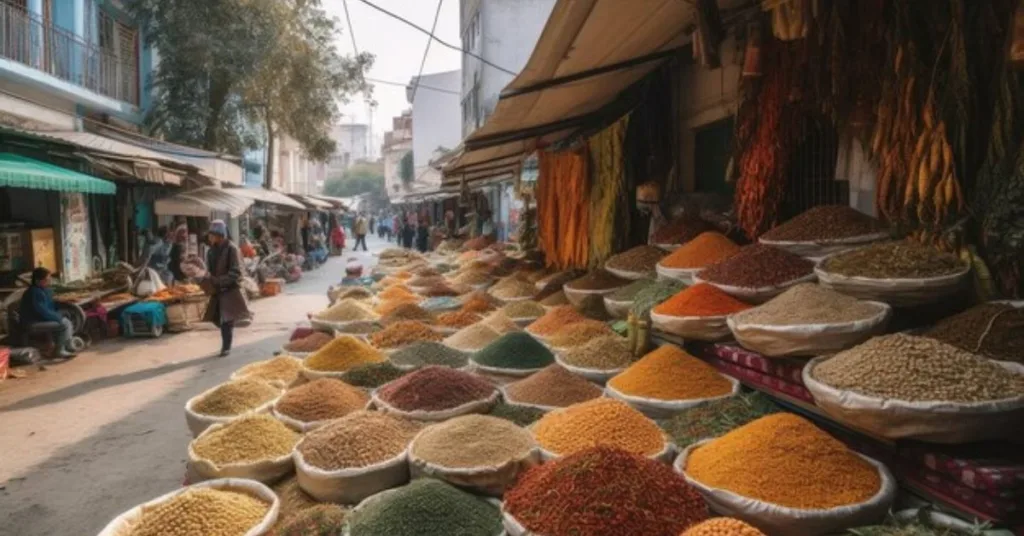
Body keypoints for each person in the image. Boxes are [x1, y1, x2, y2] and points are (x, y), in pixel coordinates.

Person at [202, 220, 251, 357]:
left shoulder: (232, 249)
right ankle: (226, 344)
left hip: (230, 289)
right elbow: (211, 270)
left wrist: (220, 281)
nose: (210, 238)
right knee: (216, 318)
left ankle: (226, 347)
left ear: (220, 235)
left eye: (212, 235)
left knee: (226, 320)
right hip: (217, 289)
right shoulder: (211, 251)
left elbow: (236, 272)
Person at [19, 267, 76, 358]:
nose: (49, 281)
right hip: (32, 323)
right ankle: (60, 350)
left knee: (66, 320)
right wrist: (58, 317)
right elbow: (42, 312)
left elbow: (50, 306)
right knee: (64, 323)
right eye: (46, 280)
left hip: (41, 320)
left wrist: (62, 308)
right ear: (38, 281)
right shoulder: (33, 292)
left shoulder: (44, 290)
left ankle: (66, 345)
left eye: (49, 279)